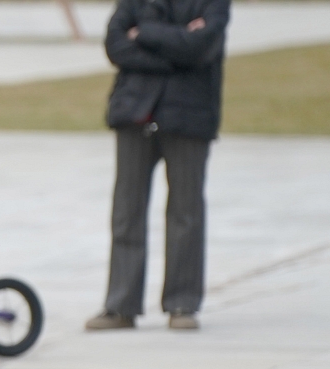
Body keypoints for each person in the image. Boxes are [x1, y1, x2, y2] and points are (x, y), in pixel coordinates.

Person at [86, 0, 229, 332]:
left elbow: (202, 48)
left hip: (190, 116)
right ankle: (120, 306)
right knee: (126, 211)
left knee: (186, 212)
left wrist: (146, 34)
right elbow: (116, 44)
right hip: (135, 112)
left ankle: (182, 303)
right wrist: (177, 44)